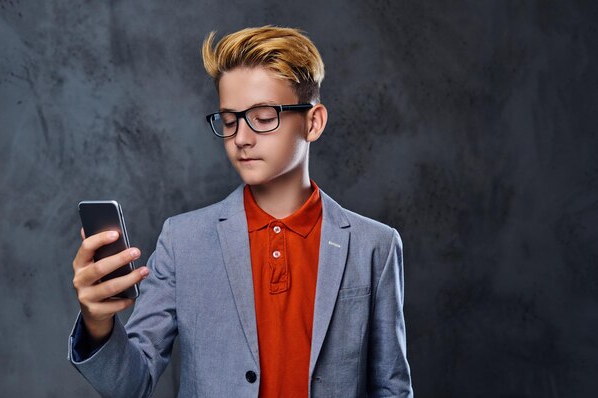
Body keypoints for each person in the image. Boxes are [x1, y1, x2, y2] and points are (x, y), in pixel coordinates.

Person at [68, 25, 413, 398]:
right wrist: (98, 323)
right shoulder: (183, 241)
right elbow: (130, 386)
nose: (241, 138)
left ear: (313, 122)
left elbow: (391, 387)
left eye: (263, 117)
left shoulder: (375, 245)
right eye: (229, 121)